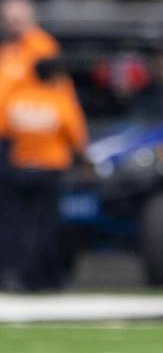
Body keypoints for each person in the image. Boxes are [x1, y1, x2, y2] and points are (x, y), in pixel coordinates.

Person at [0, 56, 88, 290]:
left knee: (18, 226)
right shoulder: (59, 100)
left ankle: (16, 275)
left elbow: (5, 131)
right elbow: (77, 138)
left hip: (19, 170)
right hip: (50, 170)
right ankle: (41, 279)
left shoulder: (17, 99)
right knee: (46, 227)